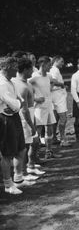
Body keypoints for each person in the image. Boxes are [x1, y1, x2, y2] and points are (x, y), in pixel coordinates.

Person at [12, 58, 45, 177]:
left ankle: (30, 166)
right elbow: (24, 109)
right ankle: (23, 173)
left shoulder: (27, 83)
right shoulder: (21, 86)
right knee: (24, 147)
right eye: (31, 68)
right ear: (25, 69)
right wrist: (31, 125)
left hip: (31, 114)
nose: (33, 70)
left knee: (34, 142)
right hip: (24, 119)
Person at [0, 57, 27, 194]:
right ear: (6, 68)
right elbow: (14, 104)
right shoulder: (2, 84)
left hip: (14, 117)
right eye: (14, 67)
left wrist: (17, 104)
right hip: (5, 119)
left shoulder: (11, 82)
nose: (17, 69)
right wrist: (17, 104)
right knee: (7, 153)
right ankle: (8, 184)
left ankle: (18, 178)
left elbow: (20, 101)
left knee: (20, 148)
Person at [29, 56, 59, 159]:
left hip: (49, 105)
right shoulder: (34, 76)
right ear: (43, 64)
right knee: (38, 130)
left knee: (49, 128)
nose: (50, 67)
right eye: (49, 65)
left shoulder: (49, 76)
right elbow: (24, 88)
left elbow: (53, 81)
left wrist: (51, 87)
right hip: (39, 107)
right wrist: (35, 99)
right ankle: (35, 154)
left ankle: (48, 151)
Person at [50, 56, 71, 147]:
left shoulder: (53, 69)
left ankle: (54, 138)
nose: (63, 63)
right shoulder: (55, 70)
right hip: (58, 96)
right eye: (61, 61)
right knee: (63, 118)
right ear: (56, 61)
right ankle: (63, 139)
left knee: (55, 119)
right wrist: (63, 85)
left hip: (54, 96)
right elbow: (53, 81)